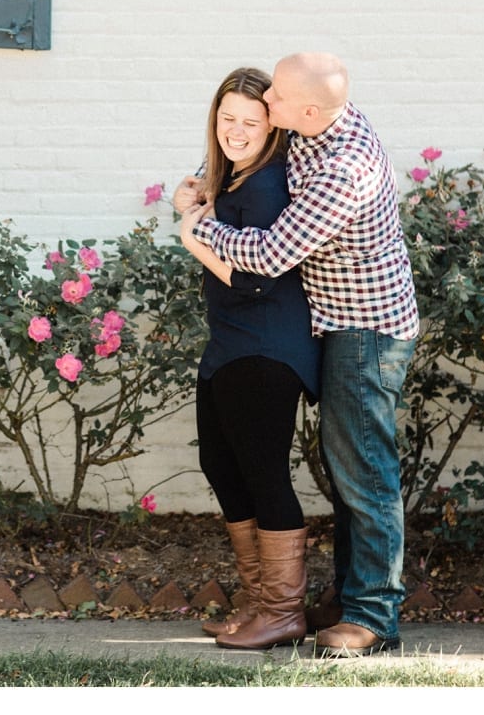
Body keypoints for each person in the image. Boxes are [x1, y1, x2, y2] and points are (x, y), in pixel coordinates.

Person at [177, 51, 419, 659]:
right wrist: (210, 184)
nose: (269, 108)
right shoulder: (323, 122)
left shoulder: (345, 168)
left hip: (365, 326)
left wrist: (193, 225)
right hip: (332, 318)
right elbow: (259, 161)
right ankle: (345, 599)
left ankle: (373, 618)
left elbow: (269, 254)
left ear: (308, 112)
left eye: (277, 103)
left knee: (364, 471)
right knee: (344, 471)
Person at [173, 67, 321, 651]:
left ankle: (283, 613)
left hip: (265, 347)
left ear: (272, 128)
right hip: (230, 346)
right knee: (221, 465)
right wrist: (200, 205)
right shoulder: (237, 181)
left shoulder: (264, 185)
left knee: (262, 475)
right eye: (227, 117)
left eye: (250, 121)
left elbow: (258, 279)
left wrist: (195, 236)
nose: (236, 130)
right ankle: (262, 604)